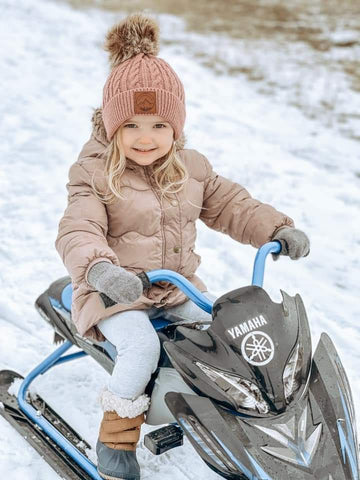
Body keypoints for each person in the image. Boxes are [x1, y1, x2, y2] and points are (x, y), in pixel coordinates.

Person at [55, 13, 310, 480]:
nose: (146, 138)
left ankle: (219, 414)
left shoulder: (189, 168)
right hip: (114, 294)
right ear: (112, 127)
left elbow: (232, 204)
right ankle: (115, 440)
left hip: (174, 291)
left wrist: (275, 229)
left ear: (177, 127)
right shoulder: (93, 174)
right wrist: (101, 270)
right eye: (131, 125)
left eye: (158, 124)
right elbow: (78, 230)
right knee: (141, 349)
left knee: (222, 336)